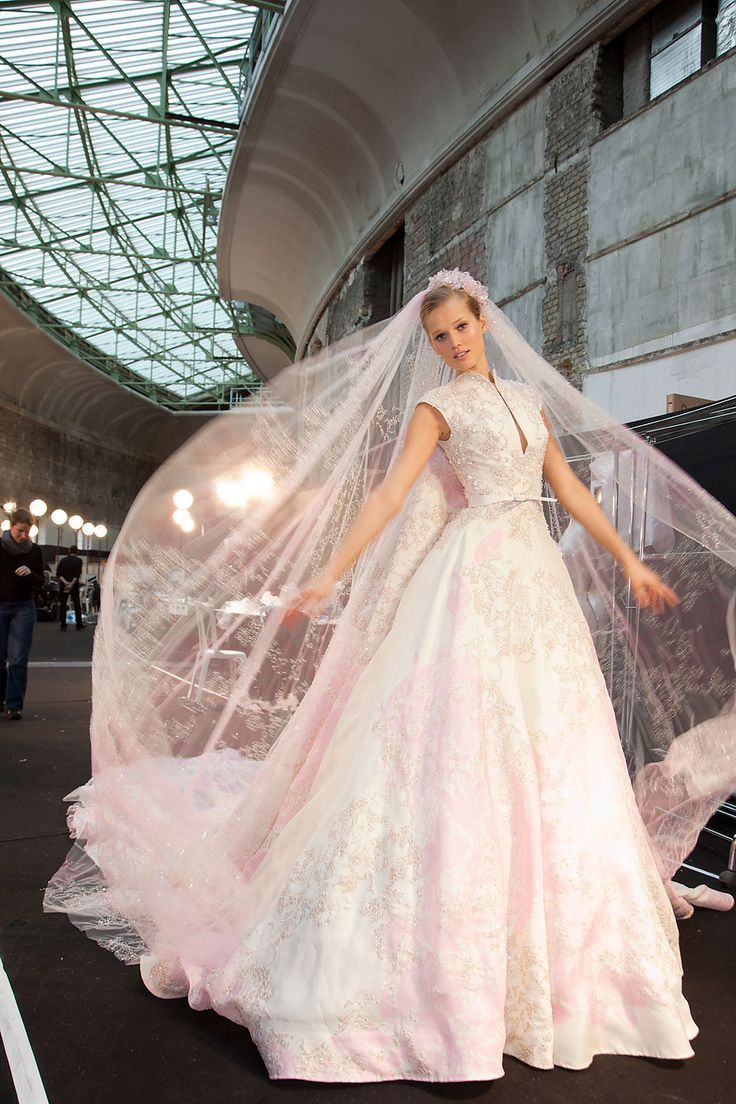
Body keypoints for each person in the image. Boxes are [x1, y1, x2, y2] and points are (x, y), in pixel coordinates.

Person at [45, 272, 736, 1082]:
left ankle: (556, 939)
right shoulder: (437, 408)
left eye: (459, 329)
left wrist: (626, 561)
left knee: (553, 736)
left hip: (533, 575)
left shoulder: (525, 402)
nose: (451, 344)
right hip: (472, 571)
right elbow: (390, 495)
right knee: (458, 737)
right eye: (438, 337)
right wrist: (330, 574)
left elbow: (571, 492)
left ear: (485, 322)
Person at [0, 507, 44, 720]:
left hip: (23, 607)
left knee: (18, 658)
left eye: (27, 531)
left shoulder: (34, 551)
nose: (24, 536)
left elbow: (41, 582)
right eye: (20, 531)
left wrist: (31, 574)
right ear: (11, 527)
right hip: (1, 605)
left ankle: (14, 704)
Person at [57, 545, 84, 631]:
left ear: (69, 551)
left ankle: (63, 623)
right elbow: (77, 574)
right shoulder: (79, 561)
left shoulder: (63, 560)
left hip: (63, 585)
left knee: (63, 604)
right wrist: (71, 584)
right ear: (77, 552)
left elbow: (59, 574)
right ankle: (79, 623)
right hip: (74, 585)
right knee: (76, 604)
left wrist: (66, 583)